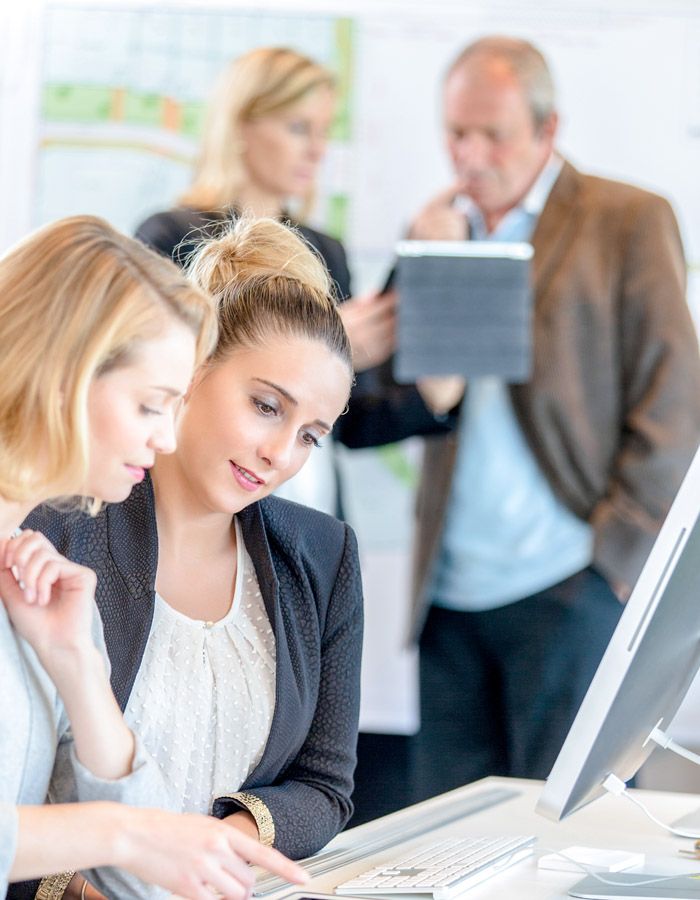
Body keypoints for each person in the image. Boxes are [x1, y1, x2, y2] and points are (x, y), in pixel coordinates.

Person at [338, 35, 700, 801]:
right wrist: (432, 263)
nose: (469, 154)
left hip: (571, 583)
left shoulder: (625, 219)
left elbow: (676, 399)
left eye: (491, 134)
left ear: (548, 129)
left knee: (565, 835)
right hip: (451, 596)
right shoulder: (438, 228)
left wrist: (614, 560)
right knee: (450, 833)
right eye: (455, 132)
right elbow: (369, 409)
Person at [24, 216, 363, 895]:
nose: (281, 455)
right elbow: (24, 781)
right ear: (194, 369)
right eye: (266, 407)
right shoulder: (56, 531)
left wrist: (208, 855)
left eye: (310, 436)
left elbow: (325, 787)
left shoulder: (321, 556)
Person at [135, 45, 395, 516]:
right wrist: (315, 352)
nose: (317, 150)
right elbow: (150, 383)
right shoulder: (172, 236)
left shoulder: (327, 252)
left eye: (323, 132)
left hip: (307, 502)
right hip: (194, 501)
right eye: (299, 128)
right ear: (239, 127)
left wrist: (438, 394)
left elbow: (353, 425)